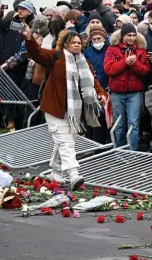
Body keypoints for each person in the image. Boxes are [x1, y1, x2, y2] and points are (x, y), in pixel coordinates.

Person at [23, 27, 106, 190]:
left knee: (66, 141)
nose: (77, 45)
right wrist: (28, 38)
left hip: (73, 110)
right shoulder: (56, 56)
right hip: (54, 107)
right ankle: (73, 173)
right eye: (73, 42)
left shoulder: (84, 60)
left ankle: (55, 171)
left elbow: (92, 80)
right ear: (65, 44)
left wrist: (101, 93)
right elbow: (37, 53)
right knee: (66, 142)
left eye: (79, 43)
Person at [104, 23, 151, 150]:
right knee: (119, 124)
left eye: (133, 36)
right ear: (122, 36)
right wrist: (125, 62)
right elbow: (109, 69)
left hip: (135, 93)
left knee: (133, 123)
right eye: (128, 35)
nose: (131, 38)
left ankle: (132, 151)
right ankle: (120, 150)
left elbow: (146, 70)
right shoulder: (112, 50)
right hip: (117, 93)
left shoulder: (141, 50)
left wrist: (135, 64)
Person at [0, 0, 35, 130]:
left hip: (26, 66)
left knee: (23, 96)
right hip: (11, 65)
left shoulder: (33, 24)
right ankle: (10, 120)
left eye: (23, 9)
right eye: (18, 8)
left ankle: (22, 124)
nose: (20, 11)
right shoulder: (13, 23)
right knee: (10, 94)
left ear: (30, 11)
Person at [84, 25, 110, 144]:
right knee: (94, 116)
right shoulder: (88, 51)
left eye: (99, 39)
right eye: (94, 39)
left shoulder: (109, 50)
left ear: (104, 38)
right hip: (93, 87)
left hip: (107, 86)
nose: (97, 42)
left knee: (107, 117)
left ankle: (106, 142)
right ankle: (94, 142)